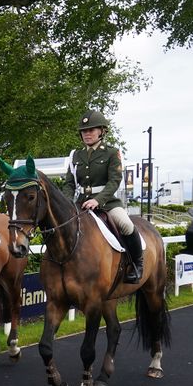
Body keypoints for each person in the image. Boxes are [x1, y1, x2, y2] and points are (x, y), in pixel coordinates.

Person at [63, 110, 143, 283]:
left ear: (101, 131)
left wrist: (98, 200)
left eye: (91, 130)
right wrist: (67, 203)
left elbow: (114, 181)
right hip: (81, 203)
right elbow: (69, 183)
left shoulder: (112, 153)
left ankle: (137, 264)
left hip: (107, 203)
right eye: (84, 131)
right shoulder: (75, 155)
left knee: (126, 224)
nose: (87, 134)